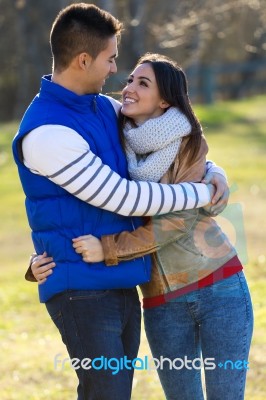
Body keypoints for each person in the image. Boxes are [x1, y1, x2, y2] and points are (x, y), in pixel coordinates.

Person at [13, 3, 229, 400]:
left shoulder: (104, 108)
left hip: (121, 280)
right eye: (110, 59)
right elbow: (124, 198)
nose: (115, 69)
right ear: (83, 60)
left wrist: (213, 171)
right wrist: (201, 193)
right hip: (81, 289)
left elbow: (169, 141)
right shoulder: (47, 132)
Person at [67, 54, 253, 400]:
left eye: (143, 83)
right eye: (130, 80)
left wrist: (109, 248)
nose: (129, 88)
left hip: (219, 287)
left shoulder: (189, 141)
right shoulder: (115, 140)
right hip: (160, 302)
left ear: (165, 99)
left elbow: (175, 224)